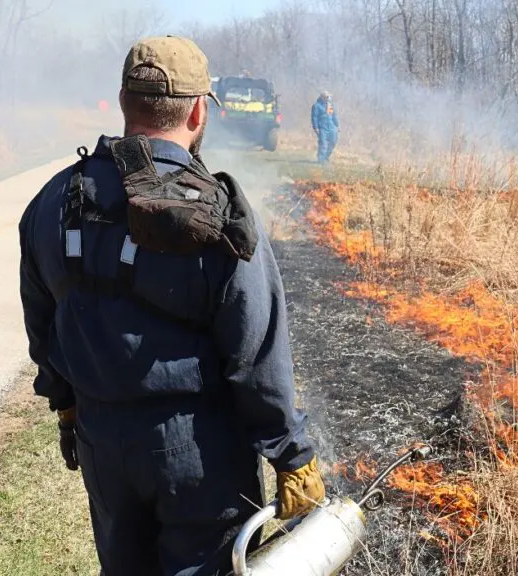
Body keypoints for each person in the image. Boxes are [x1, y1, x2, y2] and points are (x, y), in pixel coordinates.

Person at [18, 35, 325, 575]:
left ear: (122, 101)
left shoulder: (50, 203)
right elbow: (256, 353)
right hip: (199, 454)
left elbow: (42, 326)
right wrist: (291, 455)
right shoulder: (218, 216)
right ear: (199, 109)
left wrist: (66, 406)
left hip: (101, 440)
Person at [311, 90, 339, 164]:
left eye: (328, 97)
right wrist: (315, 127)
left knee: (333, 142)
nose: (328, 98)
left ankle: (326, 157)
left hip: (331, 127)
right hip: (322, 127)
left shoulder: (329, 106)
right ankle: (321, 160)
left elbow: (333, 116)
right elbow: (314, 117)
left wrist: (337, 125)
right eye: (327, 97)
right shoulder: (316, 106)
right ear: (322, 97)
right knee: (323, 144)